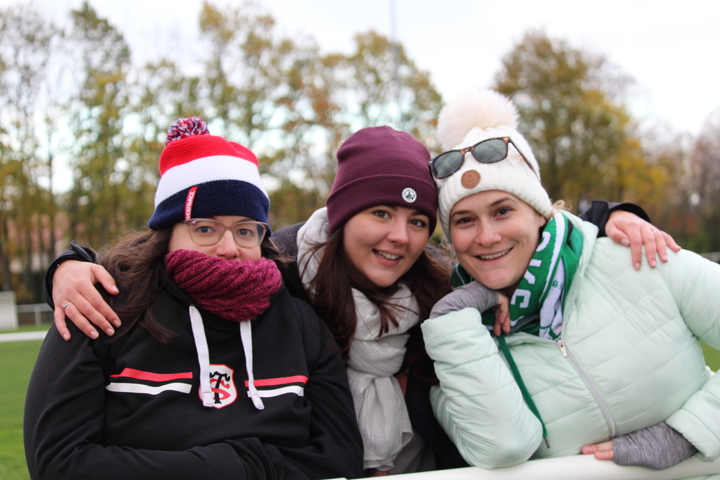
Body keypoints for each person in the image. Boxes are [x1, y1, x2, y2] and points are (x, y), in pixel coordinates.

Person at [44, 126, 676, 475]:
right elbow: (171, 260)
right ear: (342, 216)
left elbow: (526, 243)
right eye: (378, 212)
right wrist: (68, 266)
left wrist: (610, 215)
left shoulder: (443, 290)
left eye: (418, 221)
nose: (398, 235)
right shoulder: (285, 270)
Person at [24, 118, 364, 480]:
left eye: (246, 230)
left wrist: (242, 465)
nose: (229, 248)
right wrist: (233, 467)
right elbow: (59, 464)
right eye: (205, 228)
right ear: (166, 234)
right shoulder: (101, 310)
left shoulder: (300, 322)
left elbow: (340, 458)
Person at [420, 89, 720, 471]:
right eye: (465, 220)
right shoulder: (456, 337)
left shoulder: (639, 255)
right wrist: (458, 312)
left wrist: (686, 434)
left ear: (539, 213)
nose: (487, 236)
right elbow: (504, 448)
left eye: (503, 211)